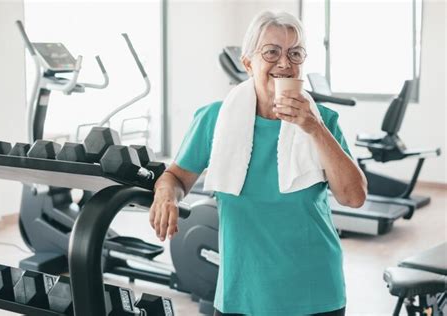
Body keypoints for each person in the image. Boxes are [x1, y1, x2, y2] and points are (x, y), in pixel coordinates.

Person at [149, 10, 367, 316]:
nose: (284, 63)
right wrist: (165, 195)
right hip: (242, 294)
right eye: (272, 52)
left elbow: (354, 197)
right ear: (248, 62)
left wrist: (313, 128)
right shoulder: (214, 119)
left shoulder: (324, 121)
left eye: (295, 53)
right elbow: (175, 177)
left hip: (315, 292)